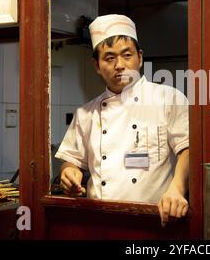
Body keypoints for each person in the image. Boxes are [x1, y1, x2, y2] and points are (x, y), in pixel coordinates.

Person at [55, 14, 189, 227]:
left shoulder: (169, 99)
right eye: (109, 58)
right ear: (97, 66)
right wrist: (69, 173)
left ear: (140, 57)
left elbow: (187, 150)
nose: (120, 65)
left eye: (127, 55)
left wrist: (177, 189)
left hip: (155, 220)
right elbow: (71, 160)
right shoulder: (85, 113)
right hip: (98, 222)